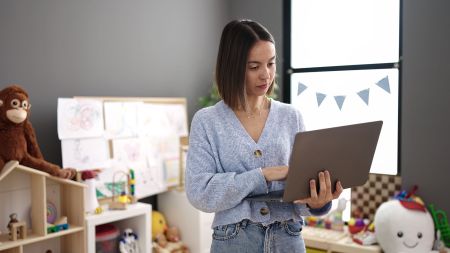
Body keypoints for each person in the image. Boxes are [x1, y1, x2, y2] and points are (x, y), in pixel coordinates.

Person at [185, 19, 343, 253]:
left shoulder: (292, 116)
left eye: (271, 64)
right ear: (233, 67)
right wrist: (263, 175)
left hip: (288, 237)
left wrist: (318, 202)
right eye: (254, 66)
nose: (266, 75)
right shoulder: (207, 121)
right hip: (234, 240)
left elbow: (300, 193)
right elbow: (200, 193)